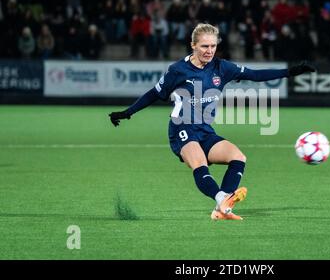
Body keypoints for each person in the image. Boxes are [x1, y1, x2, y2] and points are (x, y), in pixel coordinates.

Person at [109, 23, 315, 221]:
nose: (209, 51)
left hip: (205, 130)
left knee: (238, 157)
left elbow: (255, 75)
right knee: (199, 164)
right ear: (193, 45)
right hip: (182, 128)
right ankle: (223, 201)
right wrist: (128, 112)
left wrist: (290, 72)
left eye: (213, 46)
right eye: (204, 46)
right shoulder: (177, 70)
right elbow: (154, 93)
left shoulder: (222, 67)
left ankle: (221, 207)